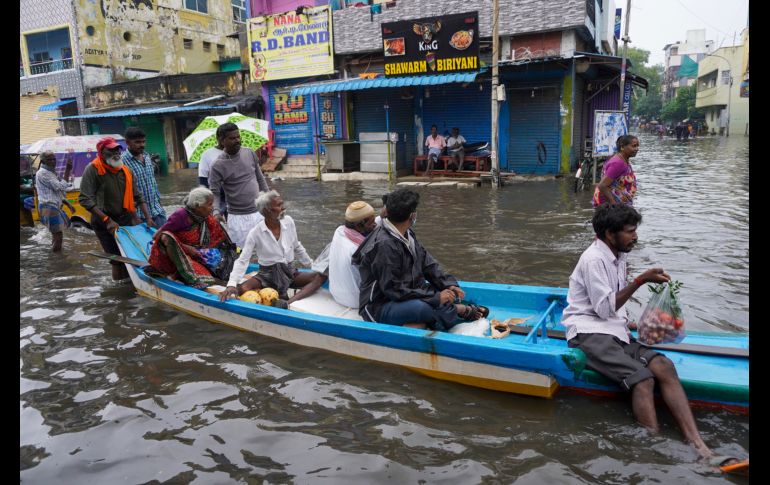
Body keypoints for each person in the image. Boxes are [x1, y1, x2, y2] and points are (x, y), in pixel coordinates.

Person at [561, 204, 744, 467]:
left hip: (614, 330)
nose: (635, 236)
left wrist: (630, 321)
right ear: (609, 234)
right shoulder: (593, 259)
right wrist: (641, 280)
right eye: (630, 231)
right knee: (643, 379)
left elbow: (612, 307)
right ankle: (653, 444)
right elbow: (603, 309)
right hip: (588, 333)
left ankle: (699, 446)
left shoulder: (618, 255)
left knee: (664, 366)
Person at [352, 188, 488, 330]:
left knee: (437, 293)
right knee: (421, 307)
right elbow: (393, 289)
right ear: (412, 215)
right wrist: (436, 298)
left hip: (406, 293)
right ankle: (459, 311)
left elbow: (427, 262)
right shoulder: (384, 245)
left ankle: (435, 316)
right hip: (380, 305)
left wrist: (447, 284)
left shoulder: (407, 233)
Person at [219, 191, 322, 307]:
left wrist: (312, 266)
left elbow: (297, 247)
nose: (283, 207)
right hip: (267, 275)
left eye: (282, 204)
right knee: (242, 288)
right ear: (266, 211)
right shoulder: (255, 233)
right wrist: (231, 284)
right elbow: (243, 260)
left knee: (321, 276)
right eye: (278, 205)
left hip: (289, 272)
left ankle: (288, 303)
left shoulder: (289, 221)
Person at [79, 136, 154, 281]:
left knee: (131, 256)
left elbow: (138, 196)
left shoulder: (125, 170)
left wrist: (147, 218)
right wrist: (107, 220)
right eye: (111, 151)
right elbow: (84, 199)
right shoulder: (93, 169)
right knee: (117, 260)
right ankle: (120, 295)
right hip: (103, 220)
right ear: (101, 153)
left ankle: (131, 288)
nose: (116, 154)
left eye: (118, 150)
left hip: (125, 218)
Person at [145, 187, 237, 289]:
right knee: (167, 236)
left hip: (196, 255)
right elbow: (158, 236)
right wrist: (187, 248)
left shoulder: (204, 217)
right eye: (209, 204)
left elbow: (219, 238)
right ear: (197, 206)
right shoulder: (180, 215)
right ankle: (190, 278)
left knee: (221, 271)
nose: (212, 208)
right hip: (177, 256)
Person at [208, 122, 270, 249]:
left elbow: (260, 178)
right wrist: (215, 212)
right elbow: (214, 192)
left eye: (238, 137)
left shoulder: (249, 153)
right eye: (232, 138)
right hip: (237, 218)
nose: (237, 140)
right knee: (240, 254)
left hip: (259, 212)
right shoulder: (217, 165)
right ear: (221, 141)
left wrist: (269, 198)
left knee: (268, 248)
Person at [328, 201, 377, 308]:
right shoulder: (358, 250)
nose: (375, 225)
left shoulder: (339, 231)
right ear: (359, 226)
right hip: (356, 301)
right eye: (371, 223)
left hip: (336, 294)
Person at [122, 127, 167, 227]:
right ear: (127, 142)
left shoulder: (147, 157)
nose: (142, 145)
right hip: (139, 216)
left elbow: (153, 184)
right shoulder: (122, 162)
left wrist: (160, 205)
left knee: (165, 241)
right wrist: (134, 217)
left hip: (157, 212)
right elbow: (124, 192)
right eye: (137, 142)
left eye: (143, 142)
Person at [34, 151, 75, 252]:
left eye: (54, 159)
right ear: (43, 161)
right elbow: (60, 187)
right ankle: (56, 261)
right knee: (58, 236)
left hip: (51, 207)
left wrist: (67, 203)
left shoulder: (50, 172)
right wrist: (67, 170)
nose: (53, 161)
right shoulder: (43, 173)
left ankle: (54, 258)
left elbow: (55, 193)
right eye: (49, 159)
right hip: (48, 207)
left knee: (56, 235)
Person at [592, 135, 638, 208]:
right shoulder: (617, 163)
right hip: (610, 205)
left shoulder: (623, 160)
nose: (636, 149)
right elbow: (602, 185)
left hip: (619, 202)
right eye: (634, 146)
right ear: (622, 147)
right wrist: (614, 205)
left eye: (637, 146)